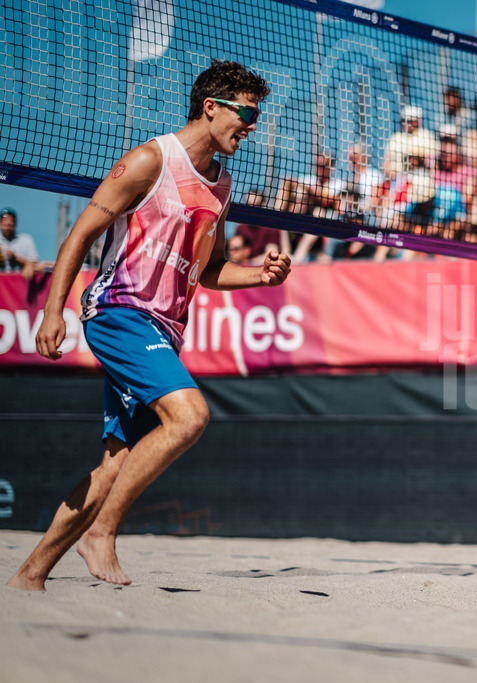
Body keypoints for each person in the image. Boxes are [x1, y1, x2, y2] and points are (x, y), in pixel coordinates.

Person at [6, 60, 291, 592]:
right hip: (120, 312)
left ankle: (29, 574)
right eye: (248, 113)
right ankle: (103, 533)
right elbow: (81, 236)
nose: (253, 125)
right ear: (212, 107)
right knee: (189, 416)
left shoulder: (221, 185)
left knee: (114, 465)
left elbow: (206, 271)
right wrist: (52, 310)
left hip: (164, 329)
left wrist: (260, 277)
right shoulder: (150, 159)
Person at [0, 207, 40, 279]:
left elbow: (35, 263)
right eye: (5, 224)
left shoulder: (26, 240)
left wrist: (15, 258)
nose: (8, 228)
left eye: (10, 225)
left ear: (15, 224)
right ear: (0, 224)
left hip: (19, 285)